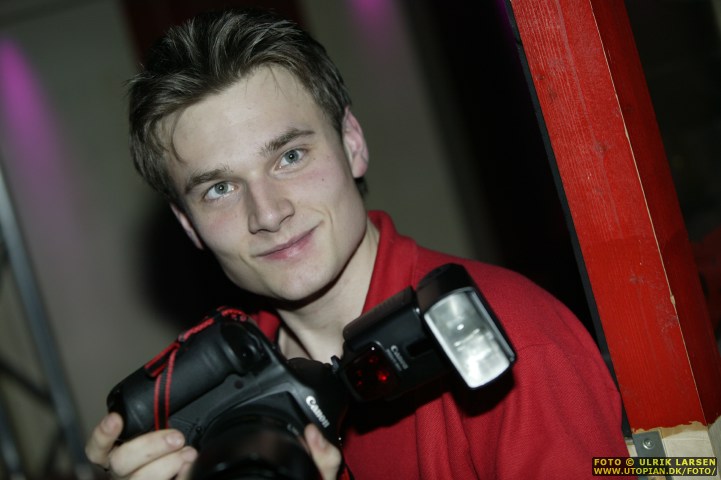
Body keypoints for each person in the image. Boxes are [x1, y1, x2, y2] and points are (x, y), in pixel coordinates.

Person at [85, 8, 630, 479]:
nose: (268, 214)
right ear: (188, 224)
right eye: (220, 189)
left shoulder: (508, 343)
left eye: (290, 157)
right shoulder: (212, 412)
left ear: (352, 144)